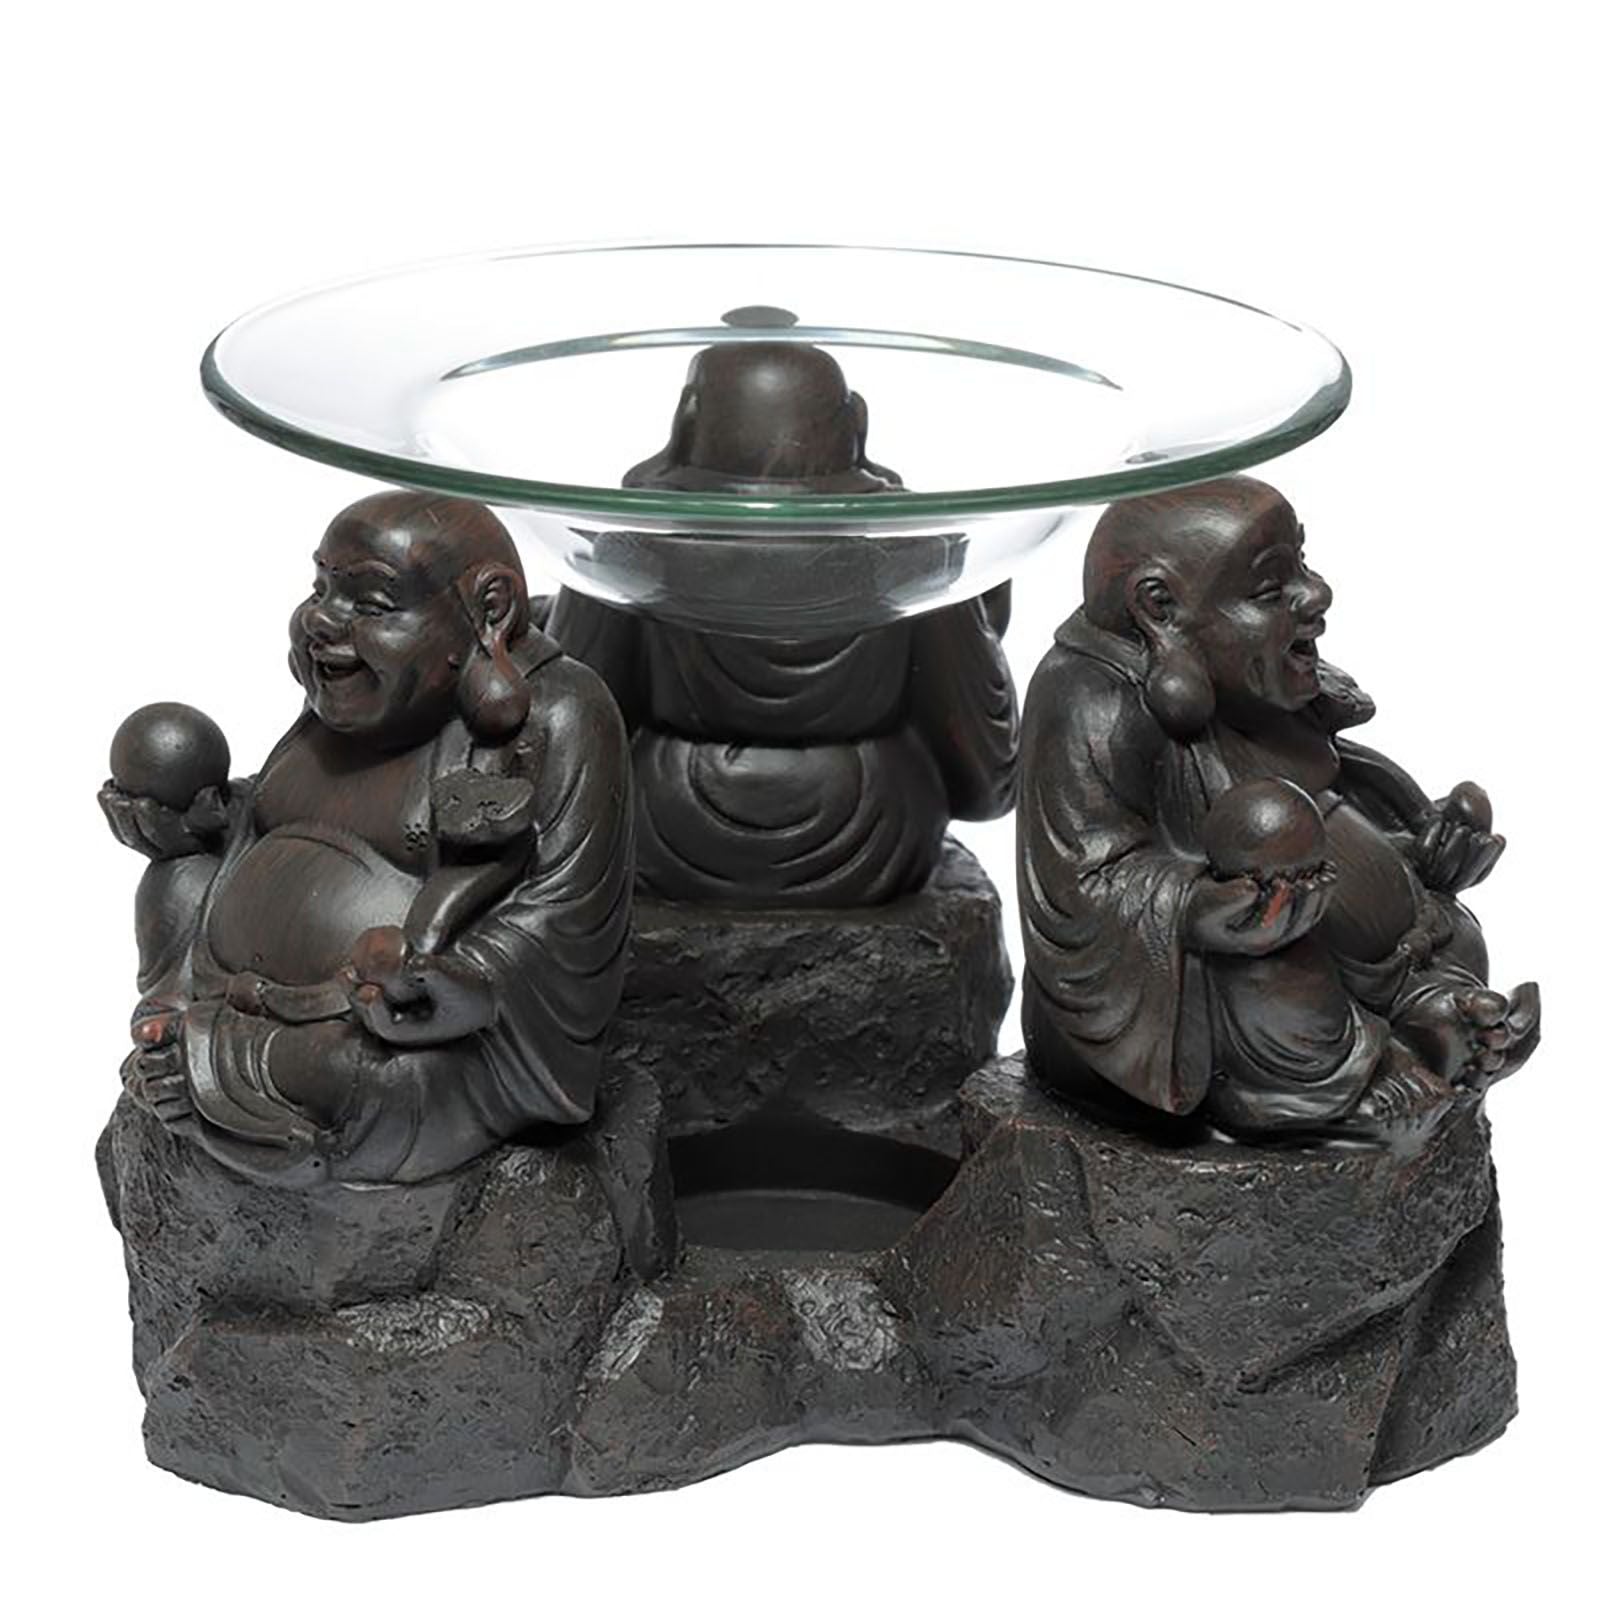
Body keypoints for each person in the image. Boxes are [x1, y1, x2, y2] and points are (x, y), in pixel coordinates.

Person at [101, 491, 633, 1185]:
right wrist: (197, 818)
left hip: (392, 1029)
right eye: (321, 587)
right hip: (236, 984)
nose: (323, 619)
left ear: (490, 610)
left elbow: (563, 914)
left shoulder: (560, 714)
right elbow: (288, 811)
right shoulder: (350, 694)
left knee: (373, 1075)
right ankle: (193, 1034)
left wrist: (457, 982)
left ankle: (221, 1076)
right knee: (179, 879)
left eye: (373, 605)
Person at [1018, 476, 1539, 1143]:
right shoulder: (1089, 699)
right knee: (1274, 979)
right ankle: (1321, 1082)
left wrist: (1416, 846)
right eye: (1270, 589)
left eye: (1303, 564)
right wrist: (1205, 912)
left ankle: (1429, 1020)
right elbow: (1081, 887)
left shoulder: (1248, 677)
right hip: (1189, 992)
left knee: (1455, 931)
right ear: (1159, 607)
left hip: (1336, 937)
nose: (1316, 594)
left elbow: (1336, 788)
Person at [546, 332, 1019, 908]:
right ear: (856, 424)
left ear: (687, 421)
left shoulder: (631, 553)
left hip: (666, 835)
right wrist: (978, 628)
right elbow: (987, 780)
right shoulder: (913, 559)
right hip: (875, 842)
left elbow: (561, 752)